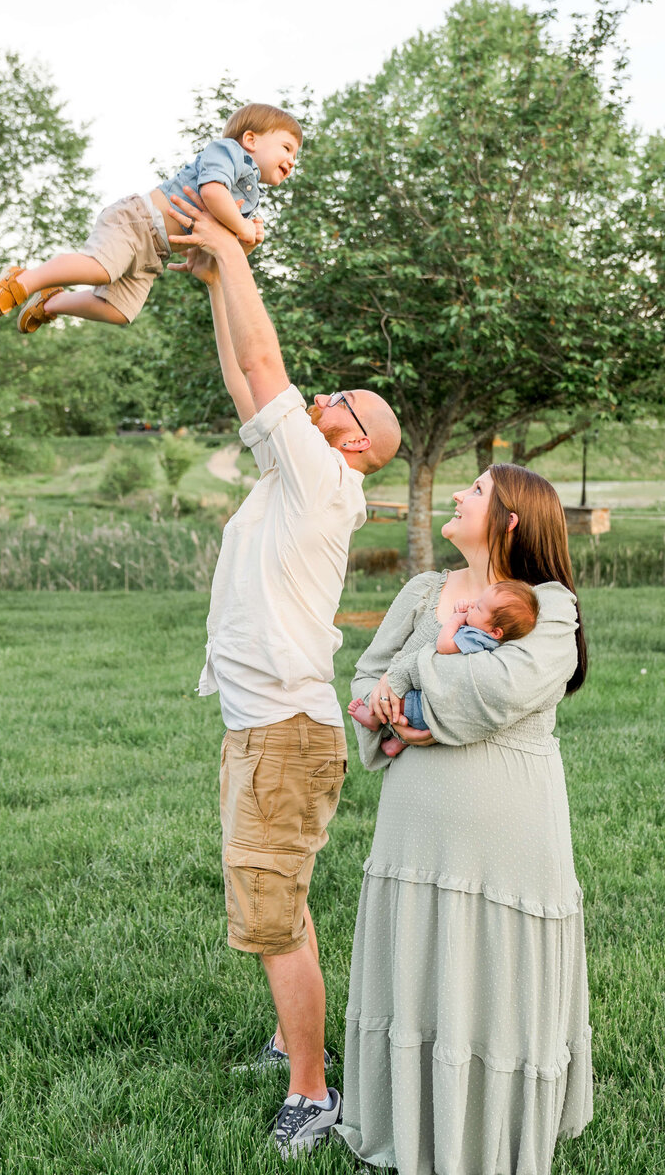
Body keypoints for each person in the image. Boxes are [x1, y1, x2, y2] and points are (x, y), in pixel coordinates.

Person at [165, 189, 401, 1159]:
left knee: (273, 918)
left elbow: (263, 365)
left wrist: (231, 243)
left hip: (282, 732)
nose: (321, 392)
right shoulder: (293, 470)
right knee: (282, 897)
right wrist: (219, 278)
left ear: (348, 437)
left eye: (339, 398)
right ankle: (284, 1040)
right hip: (263, 726)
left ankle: (312, 1092)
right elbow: (240, 369)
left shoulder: (320, 474)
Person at [334, 464, 593, 1175]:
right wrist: (385, 703)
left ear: (510, 519)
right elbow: (367, 672)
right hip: (415, 830)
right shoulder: (423, 591)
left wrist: (417, 675)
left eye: (475, 491)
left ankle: (491, 1134)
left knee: (493, 975)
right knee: (419, 969)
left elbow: (501, 688)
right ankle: (407, 1125)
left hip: (508, 835)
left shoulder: (550, 607)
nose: (456, 494)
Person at [0, 103, 300, 333]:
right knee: (99, 270)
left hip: (154, 252)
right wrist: (242, 225)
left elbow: (218, 238)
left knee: (119, 311)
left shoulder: (250, 195)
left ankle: (50, 303)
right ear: (250, 139)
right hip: (137, 223)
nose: (291, 161)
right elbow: (213, 194)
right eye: (286, 147)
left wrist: (247, 238)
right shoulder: (228, 152)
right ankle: (23, 280)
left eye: (295, 157)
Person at [347, 579, 539, 757]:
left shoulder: (476, 638)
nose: (473, 605)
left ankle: (375, 719)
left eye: (479, 607)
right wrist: (471, 612)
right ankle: (398, 743)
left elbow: (444, 646)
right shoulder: (486, 635)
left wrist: (455, 619)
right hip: (443, 710)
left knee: (402, 700)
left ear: (496, 632)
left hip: (430, 703)